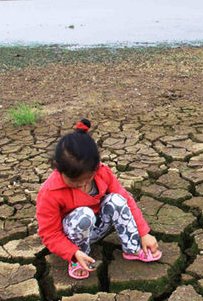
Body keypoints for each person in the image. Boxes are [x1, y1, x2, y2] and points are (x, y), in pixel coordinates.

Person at [36, 119, 160, 279]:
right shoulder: (50, 192)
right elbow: (50, 233)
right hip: (71, 235)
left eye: (87, 178)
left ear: (96, 166)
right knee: (84, 214)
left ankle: (133, 247)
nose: (81, 184)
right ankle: (79, 258)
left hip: (98, 226)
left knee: (117, 200)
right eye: (74, 182)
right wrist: (72, 253)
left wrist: (144, 233)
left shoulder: (103, 172)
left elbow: (126, 200)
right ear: (58, 169)